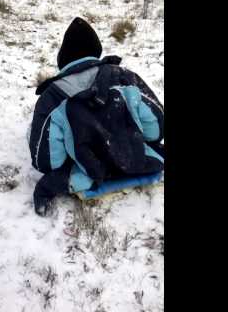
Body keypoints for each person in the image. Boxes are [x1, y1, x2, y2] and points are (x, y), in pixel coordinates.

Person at [28, 17, 164, 216]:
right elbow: (156, 129)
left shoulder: (52, 97)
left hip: (86, 174)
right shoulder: (126, 77)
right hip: (140, 162)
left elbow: (46, 161)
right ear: (96, 50)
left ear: (63, 60)